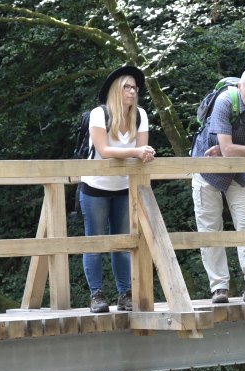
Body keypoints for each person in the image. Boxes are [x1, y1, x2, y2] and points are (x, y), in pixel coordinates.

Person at [191, 68, 245, 304]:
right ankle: (219, 288)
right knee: (210, 228)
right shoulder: (223, 101)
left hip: (239, 172)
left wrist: (232, 147)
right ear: (239, 87)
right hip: (207, 168)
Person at [80, 65, 155, 313]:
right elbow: (104, 151)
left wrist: (141, 153)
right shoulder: (99, 114)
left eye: (135, 88)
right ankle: (97, 295)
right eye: (127, 87)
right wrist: (136, 152)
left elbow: (142, 153)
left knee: (124, 242)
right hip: (95, 186)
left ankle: (125, 294)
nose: (132, 92)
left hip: (125, 186)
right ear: (116, 90)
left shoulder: (140, 115)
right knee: (96, 241)